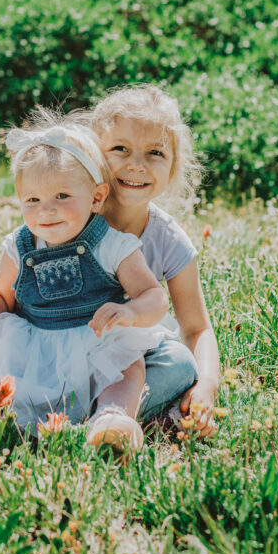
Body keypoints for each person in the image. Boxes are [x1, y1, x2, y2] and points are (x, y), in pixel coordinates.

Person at [0, 120, 169, 450]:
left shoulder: (112, 245)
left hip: (94, 341)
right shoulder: (20, 246)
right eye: (32, 199)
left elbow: (154, 296)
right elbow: (3, 302)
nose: (46, 209)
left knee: (128, 367)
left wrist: (130, 312)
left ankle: (111, 421)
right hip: (32, 345)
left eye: (62, 195)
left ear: (96, 197)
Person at [88, 85, 219, 438]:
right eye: (120, 149)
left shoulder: (168, 239)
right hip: (62, 347)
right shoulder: (73, 217)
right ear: (92, 154)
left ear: (174, 165)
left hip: (126, 365)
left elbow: (196, 328)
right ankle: (101, 419)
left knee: (179, 365)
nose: (136, 165)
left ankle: (102, 420)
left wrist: (206, 384)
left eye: (155, 152)